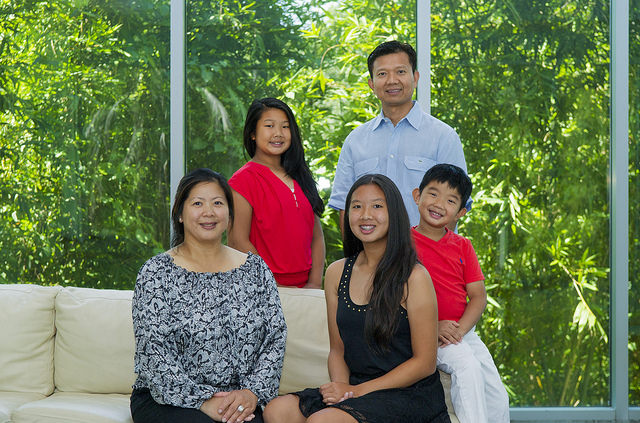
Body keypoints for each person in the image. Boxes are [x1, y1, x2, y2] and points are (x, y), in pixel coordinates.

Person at [263, 174, 451, 423]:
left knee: (324, 421)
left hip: (409, 395)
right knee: (277, 411)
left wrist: (355, 393)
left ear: (394, 213)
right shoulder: (336, 273)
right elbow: (337, 350)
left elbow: (424, 363)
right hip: (357, 388)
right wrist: (342, 390)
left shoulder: (414, 276)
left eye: (377, 206)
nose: (365, 215)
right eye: (356, 206)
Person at [130, 168, 287, 423]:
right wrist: (202, 401)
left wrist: (251, 393)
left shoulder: (256, 270)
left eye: (217, 203)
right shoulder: (156, 273)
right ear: (180, 214)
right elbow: (153, 350)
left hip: (238, 399)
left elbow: (275, 338)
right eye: (197, 203)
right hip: (167, 399)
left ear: (228, 213)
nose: (209, 212)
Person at [329, 40, 469, 228]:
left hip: (426, 256)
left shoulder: (443, 137)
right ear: (371, 83)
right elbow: (345, 208)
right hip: (372, 256)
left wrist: (436, 257)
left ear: (415, 77)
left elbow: (453, 208)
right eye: (382, 74)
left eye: (401, 72)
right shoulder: (355, 141)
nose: (392, 80)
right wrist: (355, 258)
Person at [411, 164, 509, 423]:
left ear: (461, 212)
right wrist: (435, 328)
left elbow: (478, 296)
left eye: (451, 200)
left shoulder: (463, 246)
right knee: (466, 367)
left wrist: (459, 331)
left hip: (461, 332)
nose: (439, 203)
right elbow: (395, 296)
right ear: (417, 196)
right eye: (433, 194)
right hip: (425, 332)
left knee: (497, 395)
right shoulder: (403, 245)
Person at [229, 98, 325, 288]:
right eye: (269, 126)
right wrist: (270, 287)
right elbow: (237, 241)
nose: (278, 134)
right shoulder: (242, 180)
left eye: (285, 127)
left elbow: (317, 237)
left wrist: (314, 283)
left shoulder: (301, 176)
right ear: (253, 134)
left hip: (306, 290)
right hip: (263, 290)